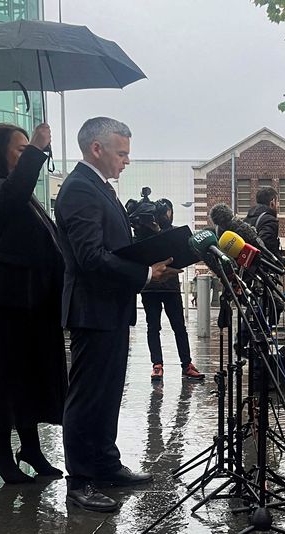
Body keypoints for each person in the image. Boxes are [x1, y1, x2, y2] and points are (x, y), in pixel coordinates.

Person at [55, 117, 181, 512]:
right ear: (97, 149)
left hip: (111, 308)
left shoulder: (100, 188)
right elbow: (90, 257)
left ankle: (106, 464)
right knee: (87, 397)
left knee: (109, 393)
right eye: (122, 152)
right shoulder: (79, 188)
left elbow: (113, 246)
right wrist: (146, 272)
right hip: (92, 310)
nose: (127, 160)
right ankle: (79, 482)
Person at [0, 123, 68, 485]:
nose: (26, 154)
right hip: (1, 304)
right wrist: (39, 150)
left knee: (29, 379)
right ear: (0, 151)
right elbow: (9, 197)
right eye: (20, 149)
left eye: (29, 148)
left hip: (31, 304)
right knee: (3, 381)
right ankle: (0, 454)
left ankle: (31, 448)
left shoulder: (24, 192)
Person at [132, 198, 205, 381]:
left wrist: (159, 231)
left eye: (168, 211)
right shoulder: (142, 233)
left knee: (179, 327)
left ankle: (186, 364)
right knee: (153, 327)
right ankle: (157, 365)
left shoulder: (173, 233)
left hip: (170, 287)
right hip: (150, 288)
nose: (166, 215)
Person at [245, 185, 285, 265]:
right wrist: (281, 261)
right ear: (272, 202)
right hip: (263, 271)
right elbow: (266, 249)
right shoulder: (270, 220)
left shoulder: (248, 218)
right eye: (277, 202)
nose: (278, 205)